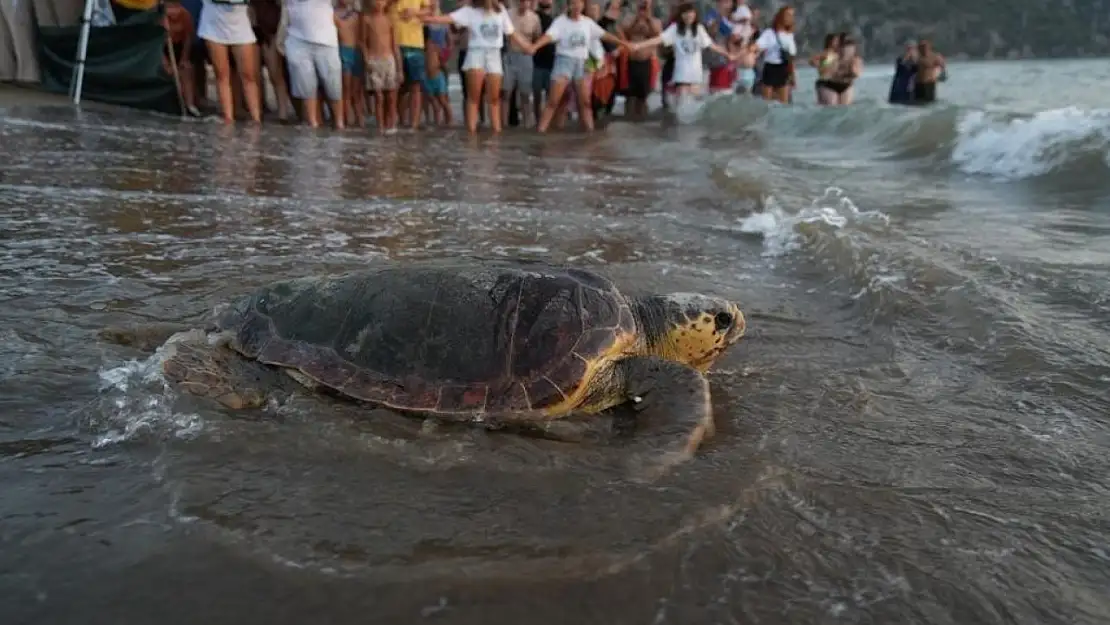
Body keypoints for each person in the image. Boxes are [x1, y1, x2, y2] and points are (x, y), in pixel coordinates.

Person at [422, 0, 534, 133]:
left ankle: (496, 133)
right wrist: (421, 16)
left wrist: (527, 46)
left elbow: (511, 32)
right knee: (474, 98)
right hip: (476, 53)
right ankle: (472, 134)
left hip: (494, 54)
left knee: (494, 99)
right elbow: (446, 19)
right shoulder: (470, 11)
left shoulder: (500, 10)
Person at [529, 0, 627, 133]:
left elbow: (604, 35)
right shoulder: (560, 21)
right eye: (573, 3)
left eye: (579, 3)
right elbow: (548, 36)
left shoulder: (587, 22)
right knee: (554, 101)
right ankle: (541, 132)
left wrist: (622, 42)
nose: (577, 6)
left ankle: (590, 133)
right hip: (564, 62)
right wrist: (535, 46)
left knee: (585, 103)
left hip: (582, 64)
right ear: (568, 5)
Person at [628, 1, 735, 106]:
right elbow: (658, 39)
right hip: (681, 75)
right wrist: (639, 45)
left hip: (696, 75)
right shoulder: (675, 29)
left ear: (695, 14)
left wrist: (727, 54)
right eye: (685, 13)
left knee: (694, 107)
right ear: (681, 15)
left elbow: (712, 45)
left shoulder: (699, 29)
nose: (689, 16)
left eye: (691, 13)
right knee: (682, 105)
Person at [197, 0, 262, 123]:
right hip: (214, 23)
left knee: (249, 75)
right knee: (222, 75)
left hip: (240, 24)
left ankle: (256, 118)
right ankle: (228, 118)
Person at [285, 0, 344, 128]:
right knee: (307, 89)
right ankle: (313, 126)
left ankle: (339, 125)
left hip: (326, 41)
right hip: (297, 39)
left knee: (333, 87)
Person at [252, 0, 295, 121]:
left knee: (276, 74)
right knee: (257, 74)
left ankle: (283, 112)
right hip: (257, 26)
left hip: (273, 28)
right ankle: (263, 109)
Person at [617, 0, 661, 120]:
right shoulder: (630, 19)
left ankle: (642, 122)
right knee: (629, 95)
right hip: (631, 61)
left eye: (646, 3)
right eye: (641, 3)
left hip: (647, 62)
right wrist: (636, 20)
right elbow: (624, 33)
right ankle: (628, 120)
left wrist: (648, 20)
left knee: (643, 95)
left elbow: (658, 36)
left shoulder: (655, 21)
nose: (643, 6)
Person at [502, 0, 543, 128]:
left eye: (526, 1)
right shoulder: (507, 15)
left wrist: (532, 49)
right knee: (506, 93)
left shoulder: (534, 18)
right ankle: (503, 126)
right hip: (510, 55)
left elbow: (538, 37)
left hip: (526, 58)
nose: (524, 3)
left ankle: (527, 126)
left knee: (525, 94)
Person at [361, 0, 399, 132]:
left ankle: (392, 125)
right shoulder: (367, 20)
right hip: (374, 60)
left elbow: (395, 46)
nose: (378, 3)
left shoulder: (389, 20)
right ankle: (380, 126)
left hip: (389, 60)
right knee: (378, 96)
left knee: (391, 96)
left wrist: (400, 69)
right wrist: (367, 60)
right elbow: (363, 42)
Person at [390, 0, 427, 129]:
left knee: (415, 86)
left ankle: (414, 125)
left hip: (415, 43)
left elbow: (429, 11)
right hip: (393, 42)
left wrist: (414, 12)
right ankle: (398, 121)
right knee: (396, 86)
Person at [162, 0, 202, 116]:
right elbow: (155, 44)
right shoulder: (160, 18)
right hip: (162, 50)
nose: (174, 11)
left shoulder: (185, 15)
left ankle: (190, 104)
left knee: (187, 70)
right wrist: (165, 63)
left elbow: (188, 38)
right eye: (170, 8)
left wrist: (184, 59)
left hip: (179, 47)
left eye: (176, 7)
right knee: (171, 72)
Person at [753, 4, 794, 103]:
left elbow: (790, 58)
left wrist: (792, 77)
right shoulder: (768, 35)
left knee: (782, 103)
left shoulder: (788, 35)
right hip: (767, 73)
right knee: (770, 102)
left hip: (780, 71)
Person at [336, 0, 365, 127]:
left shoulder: (358, 14)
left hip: (356, 52)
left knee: (356, 90)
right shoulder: (333, 13)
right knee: (346, 89)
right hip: (344, 50)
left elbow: (362, 37)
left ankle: (360, 119)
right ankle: (347, 118)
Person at [530, 0, 557, 125]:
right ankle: (537, 122)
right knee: (537, 95)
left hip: (552, 63)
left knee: (550, 96)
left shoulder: (557, 19)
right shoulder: (534, 17)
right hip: (536, 62)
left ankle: (547, 122)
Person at [422, 25, 452, 125]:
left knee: (443, 101)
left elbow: (443, 56)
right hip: (427, 78)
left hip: (438, 77)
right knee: (434, 103)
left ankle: (449, 121)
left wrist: (442, 64)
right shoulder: (423, 48)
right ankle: (437, 123)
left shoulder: (434, 46)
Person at [827, 35, 862, 105]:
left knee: (845, 106)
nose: (846, 49)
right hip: (831, 85)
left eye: (849, 45)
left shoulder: (855, 59)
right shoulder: (832, 56)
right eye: (844, 45)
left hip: (846, 85)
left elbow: (856, 74)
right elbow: (826, 68)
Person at [808, 32, 838, 106]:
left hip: (830, 82)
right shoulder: (827, 53)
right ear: (830, 42)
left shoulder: (836, 54)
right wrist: (819, 64)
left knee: (825, 106)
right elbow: (811, 60)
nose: (838, 42)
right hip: (825, 81)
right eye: (836, 40)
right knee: (830, 106)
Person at [913, 39, 946, 105]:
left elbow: (942, 66)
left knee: (929, 102)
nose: (923, 49)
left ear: (928, 47)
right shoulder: (916, 57)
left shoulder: (935, 56)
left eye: (924, 47)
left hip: (929, 82)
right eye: (921, 47)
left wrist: (941, 75)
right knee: (918, 102)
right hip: (918, 82)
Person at [888, 40, 918, 105]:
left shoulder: (918, 60)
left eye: (911, 48)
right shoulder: (900, 59)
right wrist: (906, 58)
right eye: (908, 49)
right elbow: (899, 68)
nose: (910, 51)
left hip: (911, 85)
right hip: (900, 85)